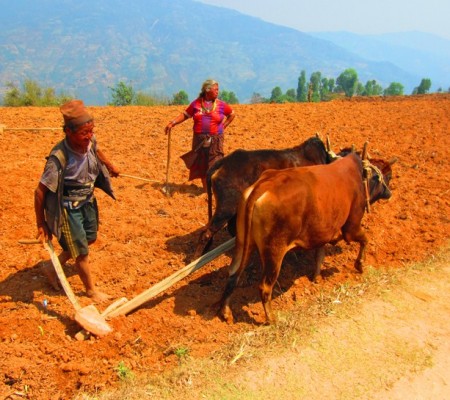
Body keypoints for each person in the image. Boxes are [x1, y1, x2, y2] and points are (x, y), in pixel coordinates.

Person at [34, 99, 120, 303]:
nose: (88, 136)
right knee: (81, 252)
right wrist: (41, 223)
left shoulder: (89, 140)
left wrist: (109, 165)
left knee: (89, 239)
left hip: (88, 201)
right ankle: (90, 290)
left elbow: (96, 148)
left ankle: (51, 266)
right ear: (68, 132)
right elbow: (39, 191)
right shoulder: (59, 157)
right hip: (69, 208)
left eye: (91, 131)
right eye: (84, 133)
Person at [165, 79, 235, 190]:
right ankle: (206, 190)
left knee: (215, 164)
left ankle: (214, 189)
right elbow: (185, 115)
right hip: (199, 140)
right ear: (207, 90)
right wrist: (172, 123)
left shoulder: (221, 105)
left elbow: (232, 114)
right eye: (215, 89)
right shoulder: (196, 104)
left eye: (218, 89)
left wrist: (223, 126)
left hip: (216, 140)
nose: (217, 92)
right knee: (202, 164)